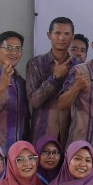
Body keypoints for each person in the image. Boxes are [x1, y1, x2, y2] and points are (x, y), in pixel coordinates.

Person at [26, 17, 75, 145]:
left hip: (69, 135)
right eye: (57, 33)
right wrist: (54, 78)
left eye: (66, 34)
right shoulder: (36, 63)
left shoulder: (79, 66)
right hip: (42, 133)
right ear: (49, 35)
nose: (61, 38)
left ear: (72, 37)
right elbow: (34, 101)